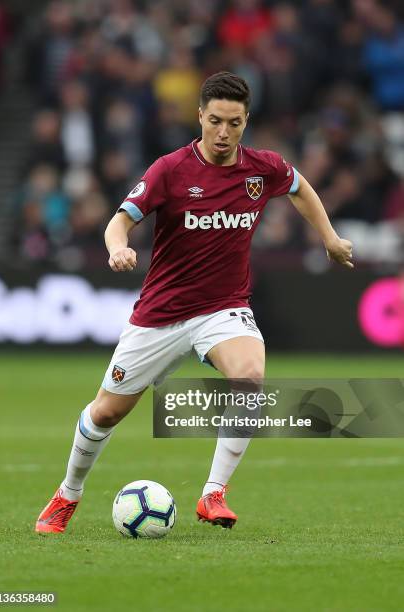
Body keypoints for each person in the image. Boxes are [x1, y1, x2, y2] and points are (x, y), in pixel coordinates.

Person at [35, 72, 353, 533]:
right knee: (106, 412)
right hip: (160, 316)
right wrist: (117, 247)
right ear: (200, 116)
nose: (224, 133)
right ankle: (68, 494)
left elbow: (300, 187)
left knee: (250, 376)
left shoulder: (262, 169)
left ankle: (213, 494)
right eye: (216, 121)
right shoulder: (170, 169)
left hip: (223, 308)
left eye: (235, 124)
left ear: (246, 122)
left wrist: (329, 239)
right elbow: (118, 221)